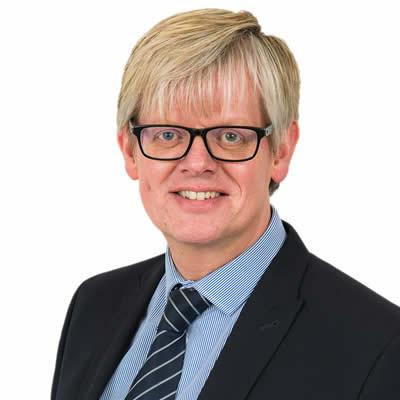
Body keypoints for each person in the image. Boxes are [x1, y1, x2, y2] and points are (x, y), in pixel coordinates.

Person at [51, 8, 400, 400]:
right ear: (130, 151)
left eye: (231, 136)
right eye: (167, 134)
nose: (197, 163)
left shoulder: (378, 346)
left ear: (281, 151)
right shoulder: (93, 306)